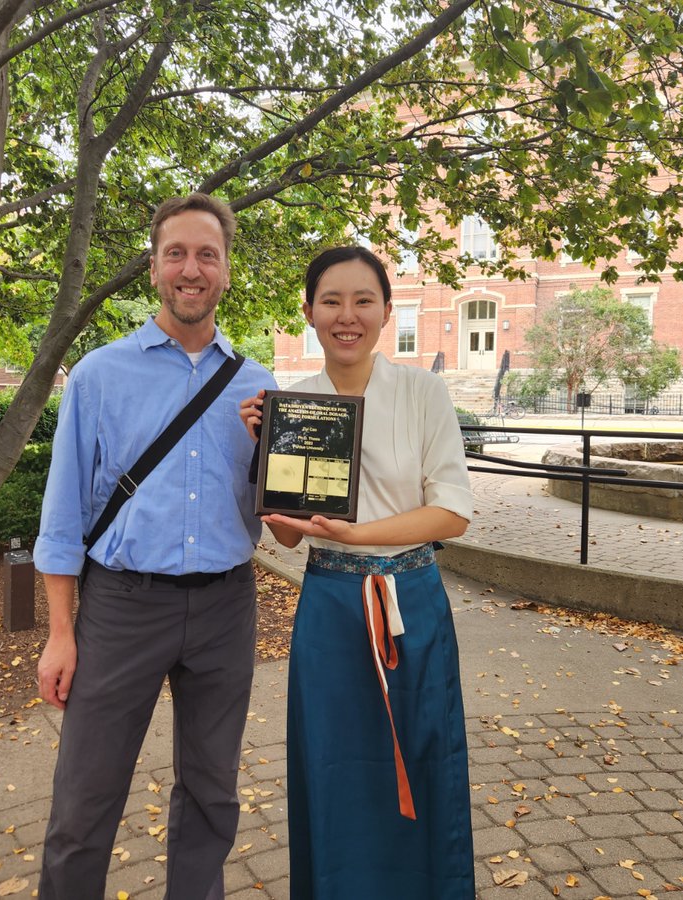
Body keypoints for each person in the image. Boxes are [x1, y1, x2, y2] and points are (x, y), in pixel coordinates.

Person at [34, 193, 277, 900]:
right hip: (120, 608)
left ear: (228, 271)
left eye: (207, 254)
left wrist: (272, 453)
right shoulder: (99, 376)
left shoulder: (260, 389)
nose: (191, 269)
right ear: (154, 268)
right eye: (177, 253)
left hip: (227, 606)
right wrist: (59, 632)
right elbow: (63, 514)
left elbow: (282, 515)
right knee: (84, 799)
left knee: (212, 795)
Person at [240, 246, 475, 899]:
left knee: (423, 755)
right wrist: (263, 448)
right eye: (332, 301)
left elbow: (452, 512)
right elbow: (287, 533)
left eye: (363, 300)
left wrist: (362, 535)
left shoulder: (422, 391)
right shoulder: (294, 403)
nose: (348, 316)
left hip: (412, 600)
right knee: (335, 762)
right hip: (331, 608)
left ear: (387, 311)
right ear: (310, 312)